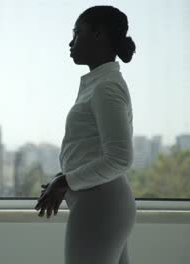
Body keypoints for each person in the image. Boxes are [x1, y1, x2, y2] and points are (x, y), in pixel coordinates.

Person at [35, 6, 137, 264]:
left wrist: (65, 181)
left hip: (100, 205)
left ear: (98, 35)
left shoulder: (105, 88)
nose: (71, 42)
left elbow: (120, 159)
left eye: (77, 33)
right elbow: (92, 150)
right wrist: (64, 177)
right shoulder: (101, 84)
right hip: (102, 204)